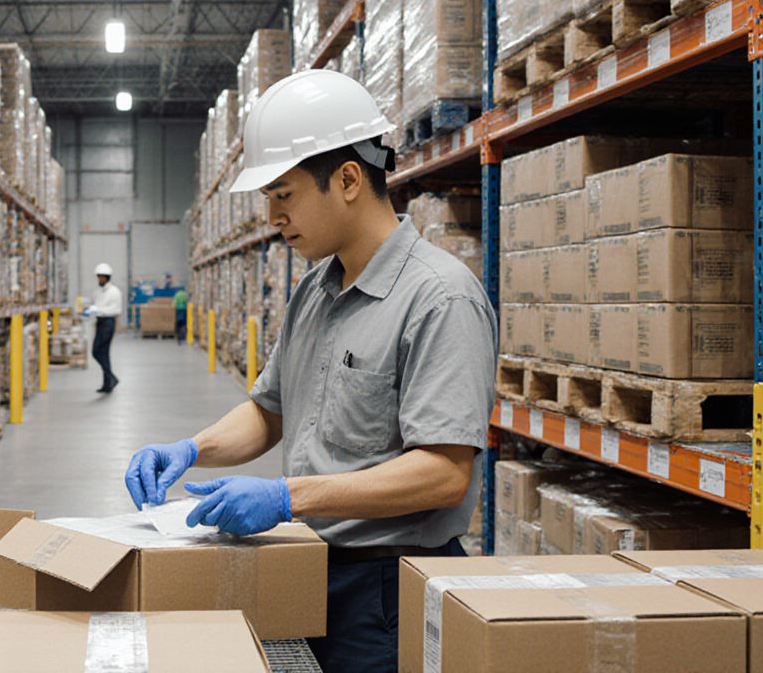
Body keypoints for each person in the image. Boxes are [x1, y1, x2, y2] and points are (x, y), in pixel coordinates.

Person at [123, 70, 497, 673]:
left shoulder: (439, 298)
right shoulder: (313, 291)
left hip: (386, 592)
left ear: (348, 179)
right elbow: (268, 410)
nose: (273, 216)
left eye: (284, 194)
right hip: (307, 570)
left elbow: (444, 474)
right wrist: (190, 449)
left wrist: (285, 496)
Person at [84, 263, 122, 393]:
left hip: (108, 323)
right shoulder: (100, 292)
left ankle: (111, 377)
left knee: (97, 351)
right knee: (104, 354)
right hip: (100, 322)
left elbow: (115, 309)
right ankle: (107, 383)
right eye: (98, 277)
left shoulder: (114, 292)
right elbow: (96, 304)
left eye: (101, 277)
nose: (99, 280)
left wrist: (97, 310)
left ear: (107, 277)